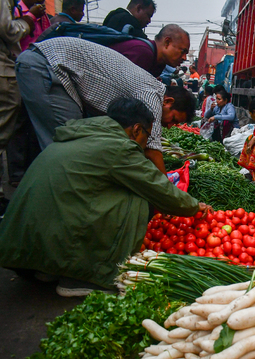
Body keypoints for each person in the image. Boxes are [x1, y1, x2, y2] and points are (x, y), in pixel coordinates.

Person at [0, 97, 208, 296]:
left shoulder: (79, 134)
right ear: (136, 129)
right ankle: (85, 278)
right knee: (135, 198)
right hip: (51, 240)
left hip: (19, 244)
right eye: (147, 134)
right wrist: (195, 206)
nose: (146, 143)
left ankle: (48, 267)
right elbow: (158, 190)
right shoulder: (120, 147)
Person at [15, 37, 196, 173]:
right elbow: (151, 149)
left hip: (46, 64)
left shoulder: (150, 86)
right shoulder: (151, 95)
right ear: (168, 101)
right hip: (47, 66)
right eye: (173, 119)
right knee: (67, 148)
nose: (170, 126)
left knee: (68, 147)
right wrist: (166, 194)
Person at [0, 0, 43, 216]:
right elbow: (8, 31)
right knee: (6, 133)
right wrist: (28, 19)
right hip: (7, 69)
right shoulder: (10, 5)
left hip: (13, 68)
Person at [109, 24, 190, 78]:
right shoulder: (142, 52)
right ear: (167, 42)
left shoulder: (159, 63)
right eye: (183, 51)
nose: (184, 57)